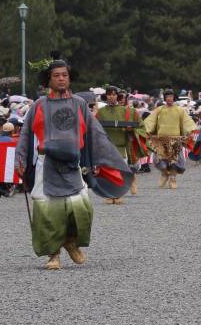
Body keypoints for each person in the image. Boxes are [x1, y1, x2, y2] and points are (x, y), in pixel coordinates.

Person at [15, 54, 133, 270]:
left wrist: (104, 159)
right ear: (48, 80)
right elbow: (25, 134)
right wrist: (20, 158)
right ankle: (53, 254)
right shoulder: (39, 105)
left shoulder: (79, 103)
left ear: (69, 79)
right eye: (56, 76)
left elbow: (95, 133)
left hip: (73, 163)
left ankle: (71, 240)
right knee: (48, 209)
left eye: (65, 75)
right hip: (46, 162)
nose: (61, 79)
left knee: (81, 208)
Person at [96, 86, 146, 202]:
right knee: (108, 172)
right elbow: (94, 128)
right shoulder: (100, 112)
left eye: (114, 94)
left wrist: (130, 130)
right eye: (109, 94)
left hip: (122, 146)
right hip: (107, 146)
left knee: (120, 172)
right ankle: (109, 194)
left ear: (117, 96)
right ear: (106, 96)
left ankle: (118, 194)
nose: (111, 97)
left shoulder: (128, 111)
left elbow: (141, 126)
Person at [142, 89, 196, 190]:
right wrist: (147, 130)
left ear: (174, 98)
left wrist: (190, 131)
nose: (169, 98)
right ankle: (164, 173)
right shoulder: (159, 109)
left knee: (174, 162)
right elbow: (151, 120)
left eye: (171, 96)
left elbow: (186, 122)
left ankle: (173, 179)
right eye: (167, 97)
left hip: (175, 139)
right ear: (165, 98)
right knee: (159, 160)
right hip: (161, 139)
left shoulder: (179, 110)